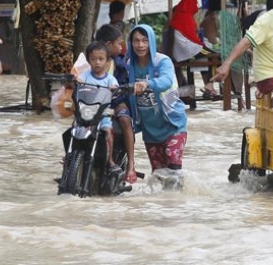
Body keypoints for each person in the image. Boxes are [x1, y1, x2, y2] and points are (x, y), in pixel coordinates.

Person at [126, 25, 190, 178]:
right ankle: (163, 202)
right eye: (136, 41)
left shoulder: (162, 61)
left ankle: (177, 201)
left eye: (144, 41)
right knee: (159, 174)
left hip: (172, 124)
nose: (140, 45)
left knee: (174, 168)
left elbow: (167, 81)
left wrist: (148, 84)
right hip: (150, 130)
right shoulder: (129, 65)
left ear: (152, 42)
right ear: (131, 43)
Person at [94, 24, 138, 183]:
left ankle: (131, 164)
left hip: (117, 101)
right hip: (95, 103)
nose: (121, 47)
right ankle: (71, 156)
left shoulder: (121, 62)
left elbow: (127, 81)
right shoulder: (91, 60)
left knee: (125, 120)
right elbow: (79, 73)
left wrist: (125, 88)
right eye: (119, 43)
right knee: (78, 119)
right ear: (108, 44)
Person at [77, 41, 121, 172]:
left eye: (101, 59)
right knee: (74, 130)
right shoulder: (84, 76)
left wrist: (114, 89)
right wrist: (76, 81)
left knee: (107, 131)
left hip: (102, 114)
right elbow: (77, 84)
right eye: (93, 59)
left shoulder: (110, 79)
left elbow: (117, 91)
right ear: (88, 60)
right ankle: (70, 156)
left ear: (107, 61)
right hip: (86, 112)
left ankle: (110, 159)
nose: (97, 62)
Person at [169, 0, 216, 96]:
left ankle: (209, 85)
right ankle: (209, 84)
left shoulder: (177, 15)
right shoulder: (186, 17)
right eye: (195, 4)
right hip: (189, 49)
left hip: (180, 51)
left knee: (205, 57)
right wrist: (202, 44)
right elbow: (193, 37)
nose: (196, 7)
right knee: (213, 55)